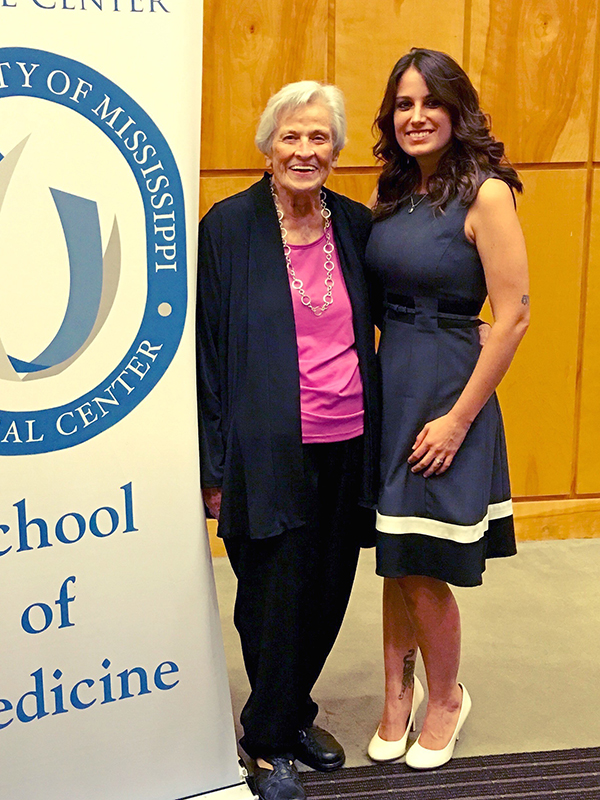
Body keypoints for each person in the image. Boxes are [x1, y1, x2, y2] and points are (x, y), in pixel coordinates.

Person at [196, 81, 379, 800]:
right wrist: (212, 465)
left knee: (329, 588)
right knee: (271, 595)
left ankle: (292, 714)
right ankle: (268, 744)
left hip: (347, 439)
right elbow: (209, 352)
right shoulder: (230, 226)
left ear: (335, 150)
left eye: (319, 138)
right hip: (265, 447)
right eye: (291, 137)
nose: (305, 151)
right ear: (268, 147)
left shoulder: (357, 226)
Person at [364, 48, 529, 770]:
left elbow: (515, 314)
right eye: (403, 103)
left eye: (430, 101)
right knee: (396, 554)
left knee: (424, 562)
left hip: (445, 396)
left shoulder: (486, 194)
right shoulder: (395, 193)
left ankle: (446, 698)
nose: (416, 115)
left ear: (457, 111)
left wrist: (459, 419)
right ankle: (396, 694)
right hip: (389, 384)